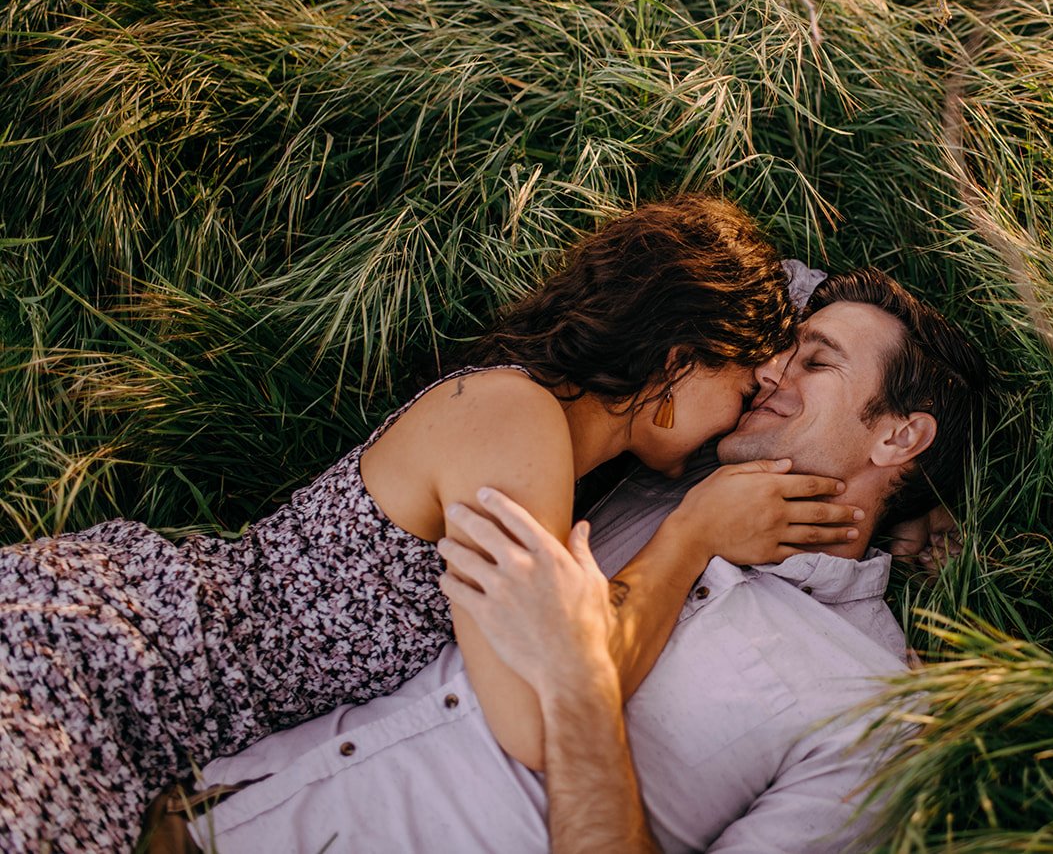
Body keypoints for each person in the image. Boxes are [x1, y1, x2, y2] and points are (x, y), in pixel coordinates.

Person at [0, 196, 862, 853]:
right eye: (744, 387)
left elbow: (797, 293)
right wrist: (691, 537)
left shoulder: (568, 450)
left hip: (167, 689)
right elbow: (532, 722)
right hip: (117, 663)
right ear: (678, 359)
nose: (743, 414)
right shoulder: (517, 421)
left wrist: (916, 485)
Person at [158, 269, 988, 853]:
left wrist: (579, 691)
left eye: (814, 359)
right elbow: (724, 270)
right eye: (782, 345)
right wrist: (915, 499)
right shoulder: (666, 473)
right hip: (200, 806)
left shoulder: (874, 709)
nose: (771, 367)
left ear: (900, 434)